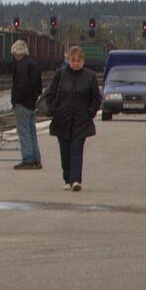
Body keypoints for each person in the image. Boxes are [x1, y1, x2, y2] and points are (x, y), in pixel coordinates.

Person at [40, 46, 100, 191]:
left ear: (83, 61)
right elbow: (50, 94)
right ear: (68, 61)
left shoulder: (89, 76)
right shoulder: (60, 75)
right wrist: (53, 110)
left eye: (79, 60)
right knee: (65, 152)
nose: (76, 63)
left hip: (81, 120)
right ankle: (67, 178)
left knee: (77, 149)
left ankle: (76, 180)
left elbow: (97, 98)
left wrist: (90, 112)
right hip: (62, 120)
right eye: (73, 60)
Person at [10, 39, 43, 170]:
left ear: (17, 53)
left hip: (22, 104)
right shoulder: (34, 64)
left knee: (23, 132)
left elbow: (21, 85)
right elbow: (39, 87)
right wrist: (34, 99)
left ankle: (28, 159)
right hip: (32, 104)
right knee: (32, 132)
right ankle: (36, 159)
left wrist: (17, 100)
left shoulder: (21, 65)